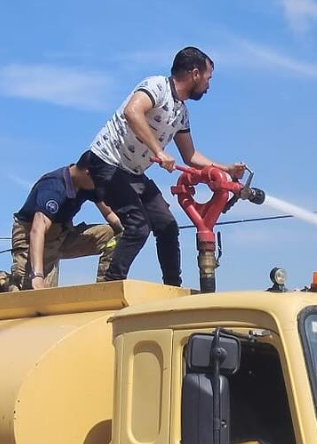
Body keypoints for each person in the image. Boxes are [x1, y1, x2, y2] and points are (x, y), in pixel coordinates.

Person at [84, 46, 246, 286]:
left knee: (167, 225)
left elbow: (190, 156)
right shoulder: (156, 86)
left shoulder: (182, 112)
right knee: (138, 227)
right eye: (208, 78)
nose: (209, 86)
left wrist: (226, 170)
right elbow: (132, 111)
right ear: (194, 74)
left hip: (133, 172)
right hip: (107, 162)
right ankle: (110, 285)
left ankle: (173, 287)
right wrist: (159, 151)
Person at [10, 152, 123, 289]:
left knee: (115, 234)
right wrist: (37, 275)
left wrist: (128, 229)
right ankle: (5, 281)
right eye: (99, 179)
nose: (101, 183)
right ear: (87, 172)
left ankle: (106, 288)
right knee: (32, 294)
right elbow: (37, 231)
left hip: (63, 235)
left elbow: (109, 213)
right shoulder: (54, 186)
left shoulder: (89, 184)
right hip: (32, 238)